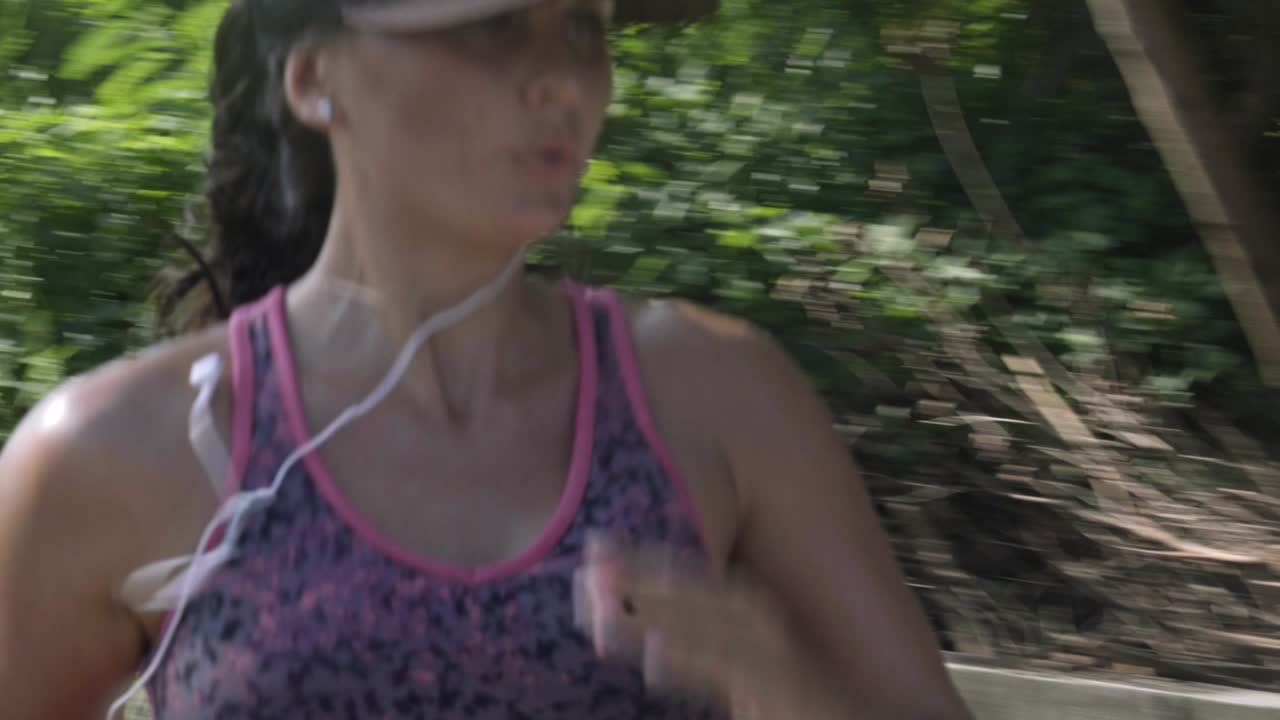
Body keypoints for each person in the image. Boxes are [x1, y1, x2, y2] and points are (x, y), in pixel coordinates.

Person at [0, 0, 973, 718]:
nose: (559, 78)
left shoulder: (717, 399)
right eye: (491, 26)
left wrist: (783, 689)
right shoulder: (120, 450)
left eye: (582, 29)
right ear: (312, 75)